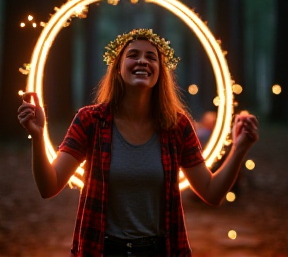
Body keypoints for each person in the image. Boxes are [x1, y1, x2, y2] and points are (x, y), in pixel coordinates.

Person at [17, 28, 258, 257]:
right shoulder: (90, 120)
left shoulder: (177, 126)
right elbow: (49, 187)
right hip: (102, 250)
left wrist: (239, 149)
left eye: (151, 57)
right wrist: (38, 137)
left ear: (160, 71)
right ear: (118, 68)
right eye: (133, 55)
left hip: (160, 250)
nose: (142, 61)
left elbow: (212, 193)